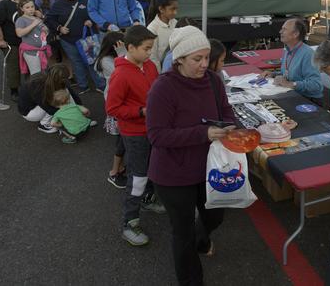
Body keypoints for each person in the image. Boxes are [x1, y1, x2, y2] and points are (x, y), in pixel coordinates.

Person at [147, 25, 236, 286]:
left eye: (206, 58)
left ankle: (202, 237)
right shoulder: (163, 88)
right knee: (182, 232)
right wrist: (203, 133)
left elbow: (226, 111)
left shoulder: (213, 80)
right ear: (179, 60)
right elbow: (157, 136)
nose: (203, 64)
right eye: (197, 59)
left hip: (208, 167)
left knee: (215, 215)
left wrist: (229, 126)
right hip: (172, 174)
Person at [106, 25, 164, 246]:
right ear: (131, 47)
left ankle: (148, 200)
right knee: (138, 176)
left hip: (152, 129)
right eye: (147, 49)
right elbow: (112, 108)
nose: (150, 53)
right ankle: (129, 222)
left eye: (151, 48)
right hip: (134, 133)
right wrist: (140, 111)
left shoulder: (149, 66)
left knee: (151, 168)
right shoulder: (120, 74)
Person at [45, 0, 105, 94]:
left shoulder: (86, 1)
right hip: (68, 40)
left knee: (92, 61)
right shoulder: (58, 4)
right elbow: (49, 19)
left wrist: (90, 21)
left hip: (86, 38)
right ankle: (83, 86)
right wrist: (59, 28)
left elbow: (96, 13)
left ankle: (100, 85)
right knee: (76, 62)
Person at [261, 18, 323, 103]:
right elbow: (289, 74)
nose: (280, 32)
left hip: (308, 100)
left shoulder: (308, 54)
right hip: (292, 94)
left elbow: (316, 85)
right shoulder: (287, 50)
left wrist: (291, 84)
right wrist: (273, 74)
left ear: (295, 34)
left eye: (284, 29)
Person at [95, 31, 128, 189]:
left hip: (122, 99)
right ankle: (115, 172)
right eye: (122, 45)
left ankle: (119, 168)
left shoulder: (114, 58)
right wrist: (124, 55)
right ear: (114, 47)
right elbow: (124, 73)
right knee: (121, 140)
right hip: (116, 102)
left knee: (123, 139)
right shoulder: (106, 61)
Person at [17, 63, 84, 133]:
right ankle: (44, 124)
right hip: (30, 111)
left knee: (64, 93)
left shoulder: (52, 76)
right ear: (58, 78)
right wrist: (69, 119)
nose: (66, 81)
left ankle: (78, 115)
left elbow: (72, 94)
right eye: (64, 79)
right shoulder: (37, 85)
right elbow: (48, 107)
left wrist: (81, 110)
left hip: (39, 104)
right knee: (56, 102)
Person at [0, 0, 27, 101]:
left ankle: (31, 87)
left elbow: (37, 14)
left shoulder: (28, 2)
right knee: (13, 66)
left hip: (29, 41)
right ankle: (14, 90)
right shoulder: (3, 5)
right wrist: (0, 40)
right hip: (11, 42)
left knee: (30, 65)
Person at [15, 0, 52, 76]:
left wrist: (45, 30)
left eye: (32, 7)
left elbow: (45, 31)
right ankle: (37, 88)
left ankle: (44, 87)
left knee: (44, 73)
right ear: (22, 9)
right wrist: (33, 24)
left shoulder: (36, 18)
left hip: (42, 50)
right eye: (27, 7)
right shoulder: (21, 20)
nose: (31, 9)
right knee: (36, 74)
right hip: (31, 51)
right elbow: (19, 33)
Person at [147, 0, 178, 71]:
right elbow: (153, 58)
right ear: (161, 9)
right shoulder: (152, 29)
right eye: (172, 9)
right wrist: (161, 75)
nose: (175, 12)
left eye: (176, 9)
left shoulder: (175, 23)